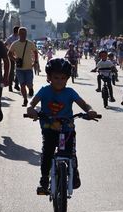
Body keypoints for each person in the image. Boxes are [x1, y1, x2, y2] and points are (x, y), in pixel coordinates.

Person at [26, 58, 98, 194]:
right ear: (49, 77)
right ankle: (44, 179)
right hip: (49, 128)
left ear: (67, 79)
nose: (59, 81)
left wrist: (90, 110)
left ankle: (74, 173)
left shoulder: (70, 92)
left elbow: (84, 104)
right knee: (47, 152)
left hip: (67, 129)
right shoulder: (44, 90)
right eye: (56, 77)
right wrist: (30, 109)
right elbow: (32, 103)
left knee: (71, 153)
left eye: (63, 78)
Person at [8, 27, 39, 107]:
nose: (23, 35)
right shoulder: (15, 44)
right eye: (21, 33)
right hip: (19, 69)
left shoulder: (30, 43)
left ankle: (31, 88)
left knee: (29, 84)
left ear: (26, 34)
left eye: (24, 33)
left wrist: (35, 61)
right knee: (22, 85)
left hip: (29, 68)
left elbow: (35, 52)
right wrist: (15, 59)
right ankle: (25, 99)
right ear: (18, 34)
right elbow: (9, 53)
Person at [5, 26, 20, 92]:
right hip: (16, 56)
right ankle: (15, 84)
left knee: (11, 71)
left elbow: (4, 44)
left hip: (11, 56)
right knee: (18, 70)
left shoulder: (10, 37)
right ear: (18, 31)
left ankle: (11, 86)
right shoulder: (19, 38)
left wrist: (7, 50)